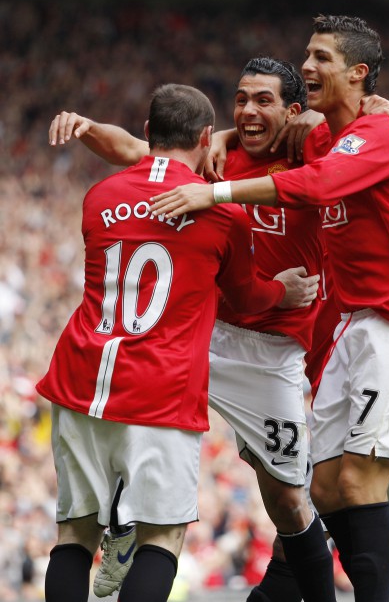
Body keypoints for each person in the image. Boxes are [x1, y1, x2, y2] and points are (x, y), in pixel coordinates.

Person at [148, 15, 389, 602]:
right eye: (306, 56)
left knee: (356, 487)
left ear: (358, 73)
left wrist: (215, 192)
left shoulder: (376, 135)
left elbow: (317, 186)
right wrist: (227, 138)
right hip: (348, 332)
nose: (308, 66)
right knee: (369, 503)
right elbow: (274, 132)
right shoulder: (316, 133)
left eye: (322, 58)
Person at [48, 60, 337, 602]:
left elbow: (360, 165)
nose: (249, 110)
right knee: (164, 527)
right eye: (241, 99)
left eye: (264, 101)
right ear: (212, 129)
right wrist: (89, 127)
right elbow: (138, 149)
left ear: (293, 110)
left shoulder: (311, 157)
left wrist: (320, 123)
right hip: (198, 339)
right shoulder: (212, 163)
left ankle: (119, 523)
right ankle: (125, 526)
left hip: (268, 354)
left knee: (290, 498)